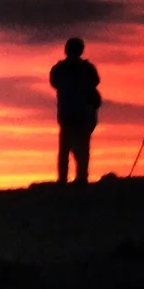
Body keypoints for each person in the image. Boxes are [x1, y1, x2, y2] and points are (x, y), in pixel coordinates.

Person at [50, 36, 101, 185]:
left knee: (68, 148)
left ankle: (67, 179)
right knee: (79, 147)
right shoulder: (86, 68)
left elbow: (55, 83)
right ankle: (79, 177)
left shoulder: (60, 69)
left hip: (72, 113)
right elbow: (95, 82)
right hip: (78, 113)